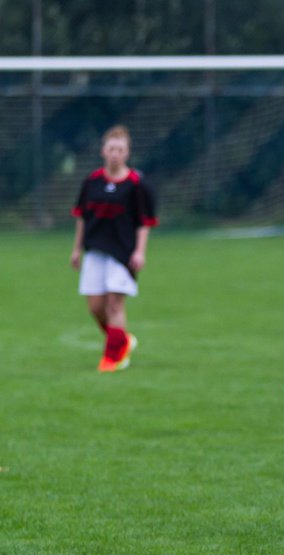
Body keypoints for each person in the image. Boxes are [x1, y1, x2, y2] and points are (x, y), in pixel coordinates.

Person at [70, 125, 157, 372]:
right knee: (96, 307)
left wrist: (140, 252)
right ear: (103, 151)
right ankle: (123, 341)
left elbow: (144, 223)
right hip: (94, 250)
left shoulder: (136, 185)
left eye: (120, 149)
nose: (115, 154)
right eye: (111, 149)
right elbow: (81, 217)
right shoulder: (92, 182)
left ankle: (113, 358)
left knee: (114, 304)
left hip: (123, 253)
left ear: (127, 153)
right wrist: (76, 249)